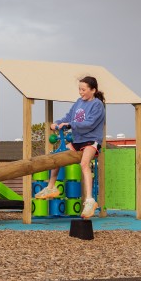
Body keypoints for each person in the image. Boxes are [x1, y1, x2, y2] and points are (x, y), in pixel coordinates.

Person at [34, 76, 106, 218]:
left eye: (83, 90)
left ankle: (90, 200)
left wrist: (70, 125)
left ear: (93, 90)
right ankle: (51, 187)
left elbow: (89, 124)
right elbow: (69, 117)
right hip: (77, 140)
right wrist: (58, 123)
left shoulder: (97, 105)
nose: (81, 92)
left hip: (91, 140)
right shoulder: (79, 102)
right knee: (57, 157)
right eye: (79, 89)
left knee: (84, 164)